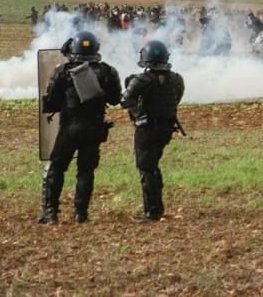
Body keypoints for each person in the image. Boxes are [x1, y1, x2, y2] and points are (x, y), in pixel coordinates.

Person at [38, 31, 122, 224]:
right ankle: (80, 214)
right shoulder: (108, 71)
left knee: (57, 167)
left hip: (70, 127)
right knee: (86, 171)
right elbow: (115, 99)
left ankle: (50, 213)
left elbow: (51, 101)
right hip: (94, 128)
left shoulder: (63, 71)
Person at [120, 40, 185, 222]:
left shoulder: (141, 80)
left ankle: (153, 212)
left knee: (146, 169)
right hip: (166, 129)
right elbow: (175, 99)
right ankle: (157, 208)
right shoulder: (176, 79)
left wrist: (140, 114)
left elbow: (125, 101)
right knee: (153, 167)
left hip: (147, 129)